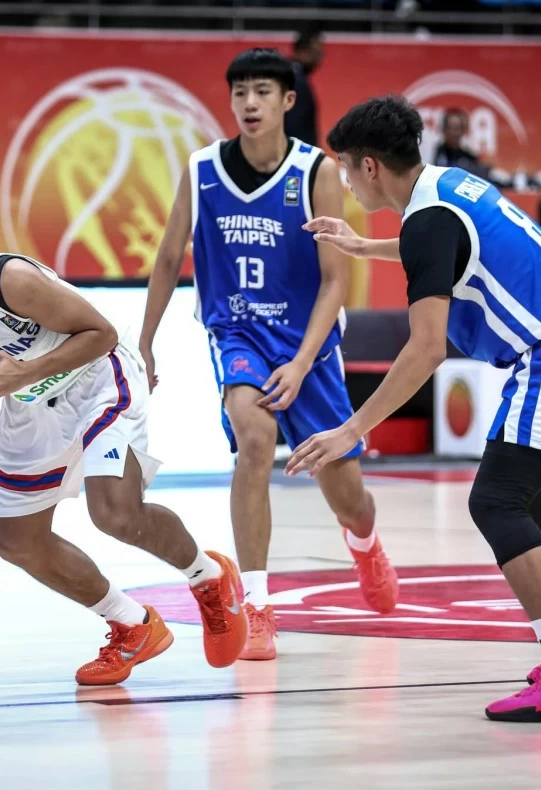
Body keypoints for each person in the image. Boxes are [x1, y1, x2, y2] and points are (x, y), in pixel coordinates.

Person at [291, 95, 541, 721]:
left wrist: (351, 429)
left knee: (496, 501)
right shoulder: (449, 187)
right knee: (530, 498)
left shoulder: (428, 222)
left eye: (345, 168)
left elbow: (426, 350)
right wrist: (363, 247)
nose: (342, 181)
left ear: (369, 167)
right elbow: (439, 249)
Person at [0, 207, 247, 685]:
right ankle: (132, 625)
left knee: (115, 513)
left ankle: (208, 578)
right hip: (31, 401)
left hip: (98, 377)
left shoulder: (6, 280)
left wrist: (24, 371)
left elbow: (102, 334)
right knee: (17, 543)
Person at [140, 49, 398, 662]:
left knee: (348, 496)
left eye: (262, 92)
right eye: (239, 93)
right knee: (254, 443)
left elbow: (336, 280)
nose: (249, 103)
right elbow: (169, 256)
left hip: (308, 343)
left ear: (287, 100)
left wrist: (304, 361)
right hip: (239, 335)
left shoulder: (316, 173)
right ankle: (256, 605)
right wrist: (144, 340)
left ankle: (364, 543)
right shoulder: (201, 170)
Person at [285, 27, 324, 146]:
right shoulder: (296, 80)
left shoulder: (292, 75)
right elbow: (297, 124)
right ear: (302, 51)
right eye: (316, 52)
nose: (320, 58)